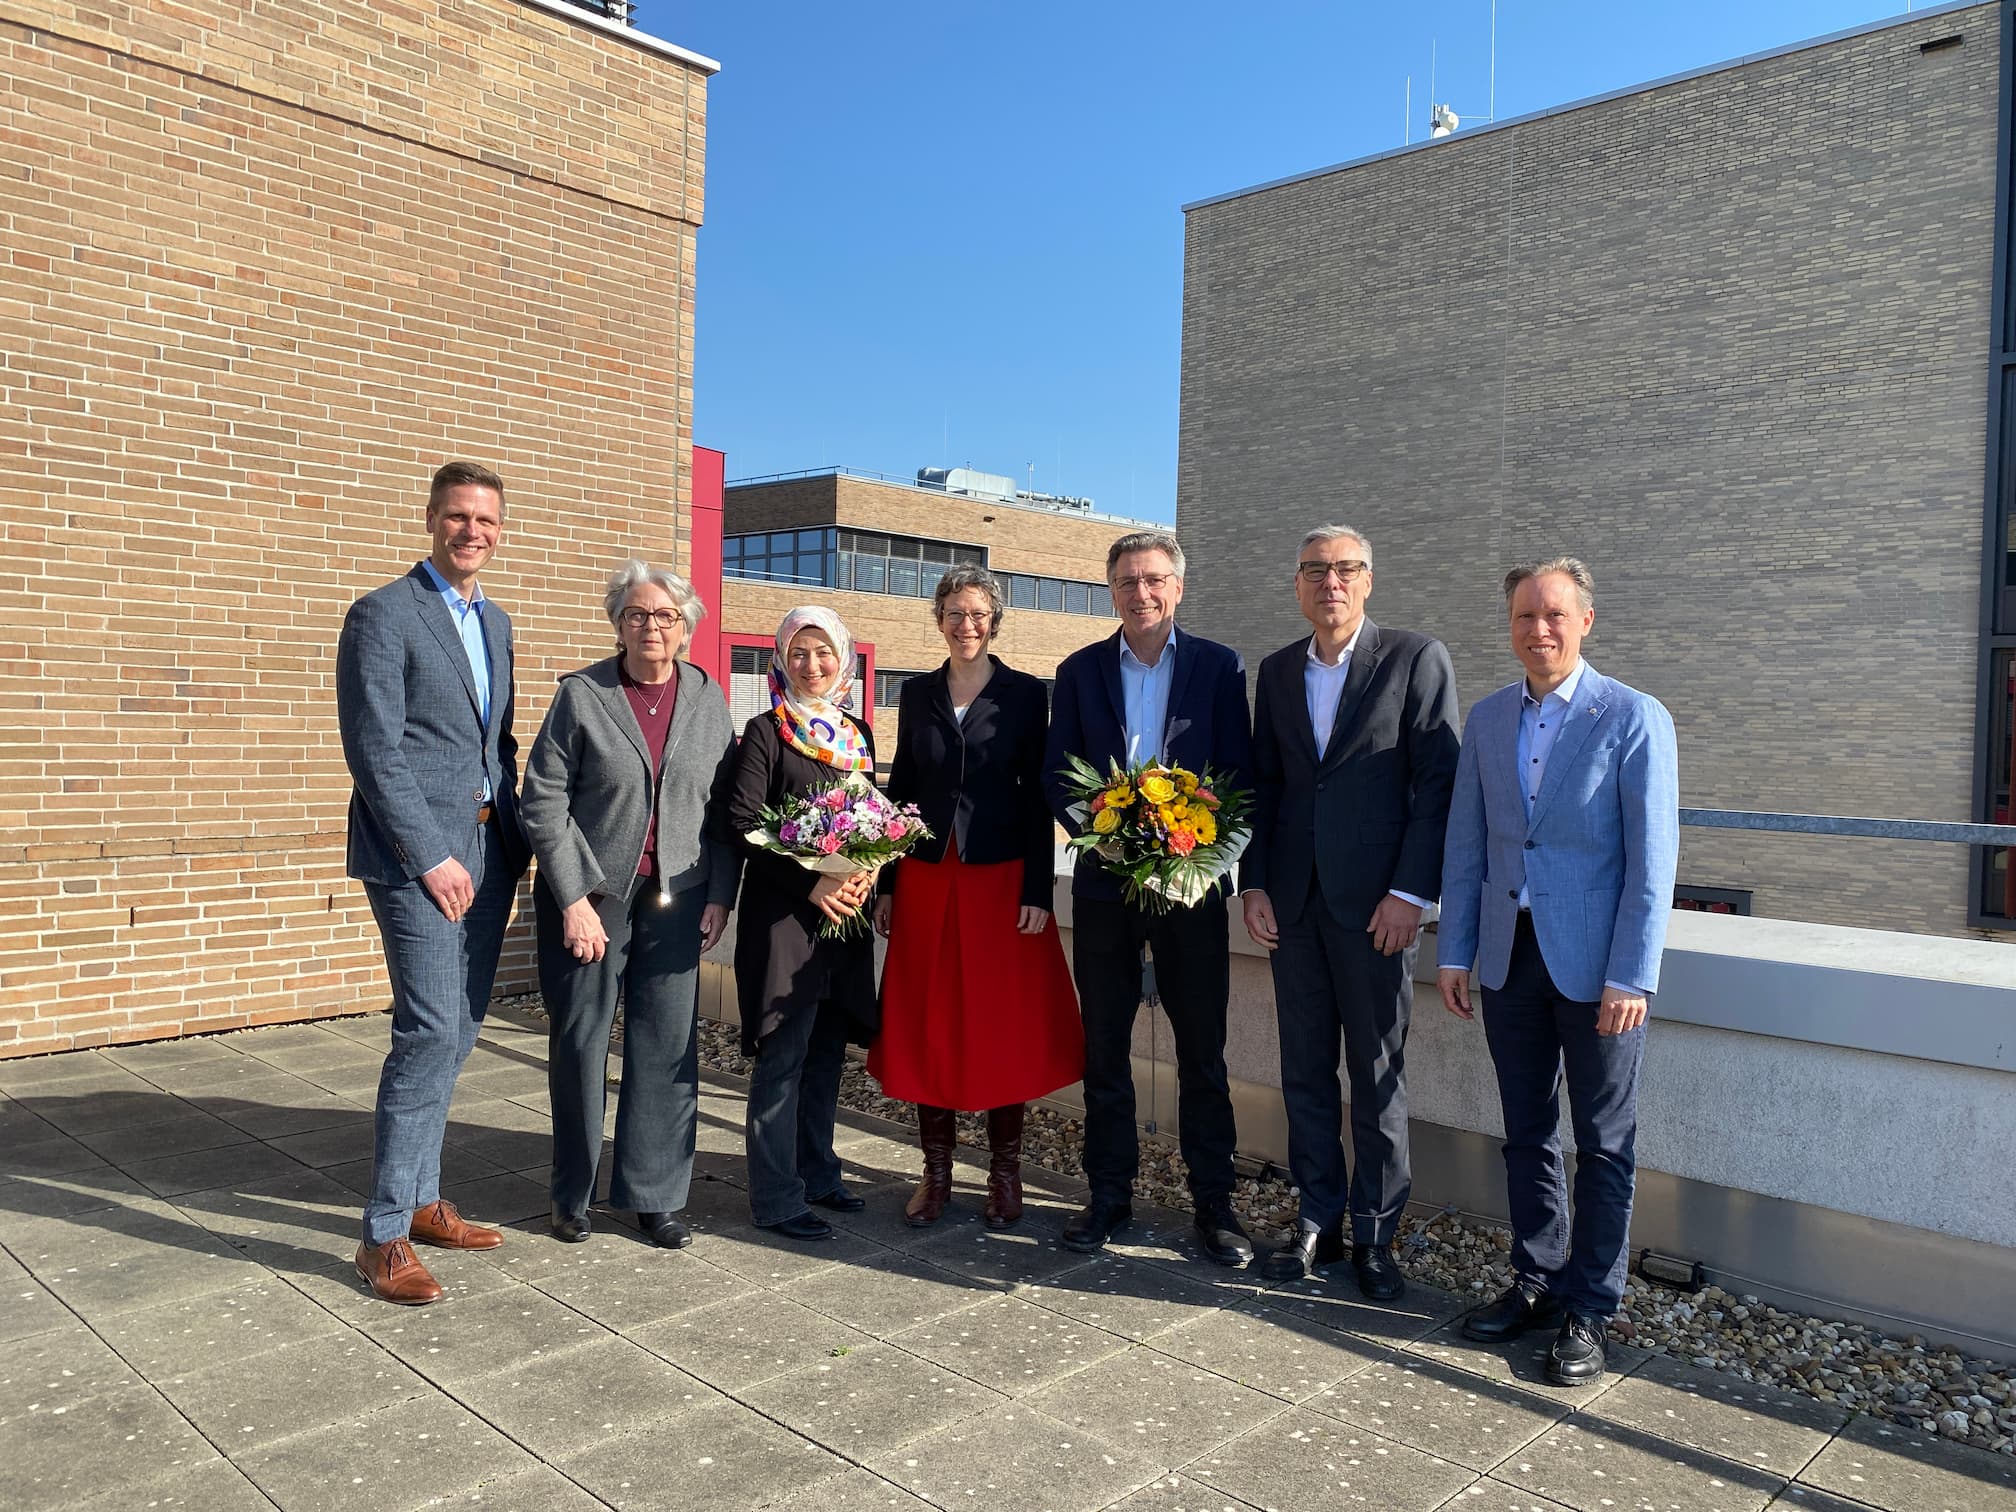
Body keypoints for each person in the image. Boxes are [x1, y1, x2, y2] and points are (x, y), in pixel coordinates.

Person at [1437, 557, 1679, 1386]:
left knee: (1604, 1143)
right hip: (1510, 958)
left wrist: (1632, 975)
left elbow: (1653, 863)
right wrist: (1456, 950)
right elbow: (1468, 845)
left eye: (1553, 615)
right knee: (1528, 1133)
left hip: (1599, 970)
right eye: (1522, 617)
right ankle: (1536, 1282)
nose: (1537, 630)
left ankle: (1590, 1309)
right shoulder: (1489, 718)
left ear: (1586, 619)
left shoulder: (1634, 718)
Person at [1242, 526, 1459, 1292]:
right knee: (1303, 1072)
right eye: (1314, 571)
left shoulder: (1414, 658)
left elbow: (1438, 785)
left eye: (1345, 570)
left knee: (1376, 1077)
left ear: (1368, 580)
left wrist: (1411, 893)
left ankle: (1375, 1235)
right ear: (1297, 586)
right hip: (1294, 906)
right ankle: (1317, 1223)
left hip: (1377, 912)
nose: (1330, 583)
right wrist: (1255, 883)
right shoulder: (1273, 672)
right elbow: (1263, 786)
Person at [336, 460, 532, 1305]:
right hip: (422, 863)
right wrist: (429, 854)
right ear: (429, 520)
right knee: (424, 1033)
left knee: (458, 1030)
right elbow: (375, 750)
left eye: (486, 521)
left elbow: (497, 748)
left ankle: (422, 1199)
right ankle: (381, 1236)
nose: (472, 532)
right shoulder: (383, 615)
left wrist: (514, 839)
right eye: (457, 517)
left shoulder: (496, 623)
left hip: (489, 859)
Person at [1043, 530, 1255, 1265]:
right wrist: (1106, 840)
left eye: (1155, 579)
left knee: (1203, 1053)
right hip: (1104, 884)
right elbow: (1056, 777)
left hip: (1192, 889)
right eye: (1129, 581)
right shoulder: (1077, 672)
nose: (1143, 593)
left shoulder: (1220, 667)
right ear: (1112, 591)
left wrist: (1195, 849)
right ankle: (1108, 1196)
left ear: (1179, 587)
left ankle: (1215, 1205)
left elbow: (1240, 775)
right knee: (1104, 1047)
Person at [520, 560, 739, 1250]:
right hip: (594, 895)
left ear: (686, 627)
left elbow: (725, 808)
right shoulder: (582, 695)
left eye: (665, 616)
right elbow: (543, 800)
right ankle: (572, 1195)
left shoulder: (707, 698)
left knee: (666, 1041)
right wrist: (573, 898)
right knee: (582, 1039)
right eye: (638, 614)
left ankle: (654, 1195)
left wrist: (722, 896)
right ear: (618, 623)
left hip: (682, 895)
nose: (652, 627)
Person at [870, 566, 1083, 1229]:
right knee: (927, 1020)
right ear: (938, 618)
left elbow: (1036, 792)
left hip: (1000, 877)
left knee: (1001, 1024)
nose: (967, 625)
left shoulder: (1024, 694)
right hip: (929, 874)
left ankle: (1005, 1171)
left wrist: (1037, 889)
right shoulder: (916, 693)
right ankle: (935, 1173)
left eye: (979, 613)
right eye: (955, 613)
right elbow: (903, 783)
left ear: (995, 621)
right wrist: (886, 878)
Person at [712, 606, 879, 1241]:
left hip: (846, 918)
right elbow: (741, 821)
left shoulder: (857, 734)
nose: (813, 665)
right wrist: (813, 882)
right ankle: (776, 1195)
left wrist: (867, 874)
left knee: (828, 1050)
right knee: (783, 1055)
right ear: (782, 659)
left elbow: (872, 821)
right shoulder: (764, 731)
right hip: (787, 915)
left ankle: (819, 1170)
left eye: (825, 653)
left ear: (843, 660)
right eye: (800, 653)